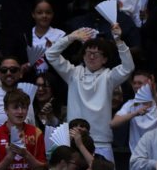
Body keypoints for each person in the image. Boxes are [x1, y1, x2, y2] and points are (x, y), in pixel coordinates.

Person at [45, 25, 134, 162]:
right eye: (88, 53)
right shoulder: (72, 74)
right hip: (74, 140)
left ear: (105, 59)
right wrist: (71, 37)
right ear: (83, 56)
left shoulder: (109, 77)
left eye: (96, 54)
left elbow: (128, 67)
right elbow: (50, 54)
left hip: (101, 142)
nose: (91, 57)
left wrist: (119, 41)